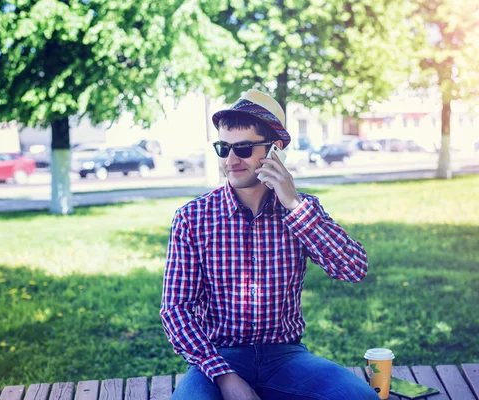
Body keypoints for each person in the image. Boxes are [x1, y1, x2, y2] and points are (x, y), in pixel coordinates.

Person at [160, 89, 378, 400]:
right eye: (223, 148)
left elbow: (353, 269)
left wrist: (294, 205)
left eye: (244, 148)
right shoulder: (192, 218)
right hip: (218, 358)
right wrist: (225, 378)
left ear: (275, 150)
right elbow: (174, 310)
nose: (231, 160)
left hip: (286, 357)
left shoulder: (302, 210)